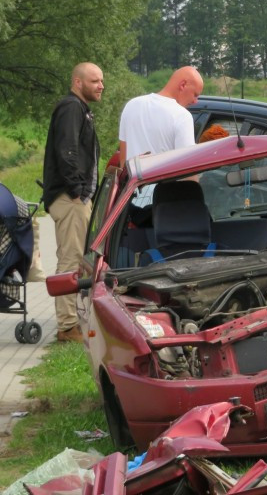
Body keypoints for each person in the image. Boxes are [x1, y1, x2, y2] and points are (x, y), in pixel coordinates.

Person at [42, 62, 104, 343]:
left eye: (101, 81)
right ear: (77, 82)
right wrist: (77, 191)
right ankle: (67, 326)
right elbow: (66, 150)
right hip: (69, 199)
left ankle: (73, 322)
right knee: (70, 261)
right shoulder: (71, 108)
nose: (101, 86)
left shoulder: (79, 109)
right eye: (94, 81)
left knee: (77, 260)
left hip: (73, 197)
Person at [118, 66, 204, 162]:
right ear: (183, 85)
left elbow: (123, 159)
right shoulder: (182, 116)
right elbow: (187, 166)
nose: (195, 101)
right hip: (163, 177)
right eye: (195, 95)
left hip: (132, 177)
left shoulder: (131, 105)